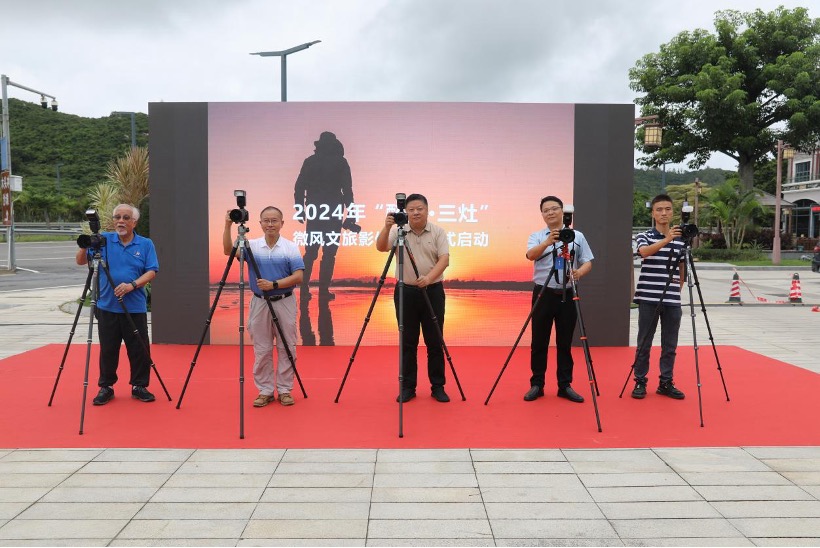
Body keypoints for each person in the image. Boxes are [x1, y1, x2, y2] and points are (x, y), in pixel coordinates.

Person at [75, 204, 159, 406]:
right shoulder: (103, 240)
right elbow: (80, 261)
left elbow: (152, 271)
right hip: (107, 306)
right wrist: (85, 244)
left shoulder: (145, 244)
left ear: (134, 222)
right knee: (108, 349)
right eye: (117, 217)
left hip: (134, 307)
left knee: (139, 349)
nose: (120, 221)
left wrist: (132, 285)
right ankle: (106, 386)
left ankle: (139, 386)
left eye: (126, 217)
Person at [223, 206, 304, 407]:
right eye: (266, 220)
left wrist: (274, 284)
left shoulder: (290, 247)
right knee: (262, 348)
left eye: (274, 220)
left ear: (282, 223)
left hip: (284, 300)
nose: (270, 224)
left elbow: (299, 276)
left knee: (287, 346)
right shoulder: (252, 246)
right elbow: (227, 251)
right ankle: (265, 390)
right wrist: (227, 225)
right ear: (260, 224)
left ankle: (285, 390)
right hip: (259, 302)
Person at [375, 194, 450, 403]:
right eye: (411, 210)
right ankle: (408, 387)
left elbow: (444, 259)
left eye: (419, 209)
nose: (415, 213)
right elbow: (381, 247)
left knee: (435, 341)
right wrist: (387, 228)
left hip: (432, 291)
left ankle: (438, 386)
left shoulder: (437, 232)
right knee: (407, 342)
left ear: (427, 210)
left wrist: (428, 278)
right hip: (405, 292)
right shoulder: (399, 231)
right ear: (405, 212)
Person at [524, 196, 593, 404]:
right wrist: (548, 241)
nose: (551, 213)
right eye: (546, 210)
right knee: (539, 341)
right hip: (543, 293)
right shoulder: (537, 236)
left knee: (564, 342)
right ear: (542, 215)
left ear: (563, 212)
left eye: (555, 208)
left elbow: (588, 261)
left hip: (568, 293)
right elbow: (530, 255)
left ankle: (565, 385)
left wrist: (579, 272)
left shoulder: (577, 236)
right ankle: (537, 384)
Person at [631, 194, 686, 400]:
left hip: (672, 300)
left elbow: (682, 268)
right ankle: (640, 381)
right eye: (659, 209)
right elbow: (644, 252)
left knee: (670, 345)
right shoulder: (645, 235)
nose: (664, 213)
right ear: (653, 213)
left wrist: (676, 290)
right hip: (648, 298)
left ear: (673, 212)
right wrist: (667, 239)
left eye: (668, 209)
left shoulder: (681, 240)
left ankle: (666, 381)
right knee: (644, 342)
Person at [294, 131, 354, 303]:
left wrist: (300, 208)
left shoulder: (310, 161)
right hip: (334, 211)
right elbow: (348, 190)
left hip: (314, 211)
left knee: (310, 252)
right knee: (329, 253)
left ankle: (304, 289)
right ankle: (323, 290)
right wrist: (352, 214)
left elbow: (299, 187)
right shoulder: (341, 162)